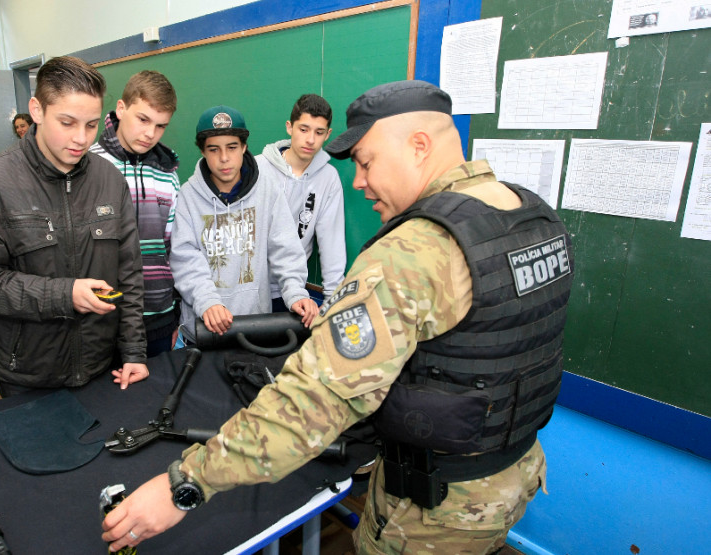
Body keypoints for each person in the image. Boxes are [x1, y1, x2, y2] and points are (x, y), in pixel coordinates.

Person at [101, 81, 574, 554]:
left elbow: (310, 404)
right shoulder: (532, 215)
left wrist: (184, 484)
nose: (359, 181)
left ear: (419, 146)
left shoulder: (414, 252)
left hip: (434, 511)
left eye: (367, 162)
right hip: (513, 480)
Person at [0, 56, 149, 397]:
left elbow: (128, 273)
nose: (82, 138)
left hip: (103, 365)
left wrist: (133, 351)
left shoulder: (110, 180)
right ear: (36, 110)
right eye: (67, 122)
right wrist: (62, 295)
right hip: (27, 374)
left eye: (91, 124)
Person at [170, 105, 318, 345]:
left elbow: (286, 250)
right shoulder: (188, 195)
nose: (224, 158)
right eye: (214, 149)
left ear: (244, 147)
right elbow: (185, 259)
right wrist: (208, 301)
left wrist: (295, 293)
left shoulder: (267, 190)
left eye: (232, 147)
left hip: (255, 328)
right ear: (202, 152)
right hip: (201, 332)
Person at [88, 71, 180, 358]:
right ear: (121, 108)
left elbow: (174, 249)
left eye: (160, 125)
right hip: (102, 318)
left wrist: (175, 312)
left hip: (159, 313)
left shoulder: (169, 175)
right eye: (143, 119)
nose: (150, 133)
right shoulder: (88, 164)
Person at [256, 93, 346, 310]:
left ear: (328, 134)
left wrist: (333, 302)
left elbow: (332, 243)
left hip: (292, 291)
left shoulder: (329, 178)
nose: (310, 140)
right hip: (250, 289)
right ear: (290, 127)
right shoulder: (257, 169)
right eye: (303, 129)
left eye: (319, 132)